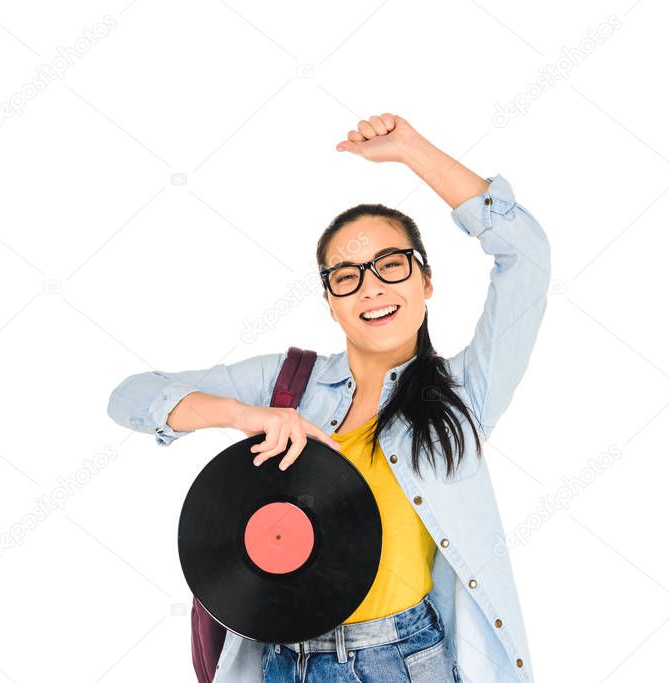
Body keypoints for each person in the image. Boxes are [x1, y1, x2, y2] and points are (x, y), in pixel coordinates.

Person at [107, 113, 551, 682]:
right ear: (330, 301)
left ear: (426, 282)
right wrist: (242, 414)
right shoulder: (286, 383)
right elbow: (129, 397)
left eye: (390, 265)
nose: (371, 287)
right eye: (346, 276)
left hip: (404, 660)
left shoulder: (465, 393)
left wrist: (413, 151)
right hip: (279, 662)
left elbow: (527, 258)